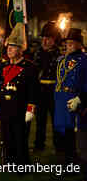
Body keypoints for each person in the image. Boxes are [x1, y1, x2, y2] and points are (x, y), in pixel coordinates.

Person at [0, 23, 38, 165]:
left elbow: (33, 90)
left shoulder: (30, 67)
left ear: (21, 49)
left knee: (20, 138)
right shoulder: (2, 66)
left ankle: (22, 165)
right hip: (5, 107)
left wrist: (30, 109)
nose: (9, 49)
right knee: (6, 136)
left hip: (20, 109)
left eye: (13, 47)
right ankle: (8, 162)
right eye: (8, 47)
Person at [54, 28, 87, 171]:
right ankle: (65, 159)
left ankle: (75, 161)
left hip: (75, 100)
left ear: (80, 44)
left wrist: (80, 99)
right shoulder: (62, 60)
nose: (69, 45)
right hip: (61, 100)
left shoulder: (84, 60)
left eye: (73, 42)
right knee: (62, 131)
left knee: (74, 132)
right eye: (68, 43)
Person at [33, 21, 62, 151]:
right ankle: (39, 145)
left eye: (48, 39)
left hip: (55, 91)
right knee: (40, 120)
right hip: (40, 90)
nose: (44, 42)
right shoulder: (38, 53)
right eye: (43, 39)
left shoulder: (60, 54)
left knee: (57, 120)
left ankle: (59, 145)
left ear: (54, 40)